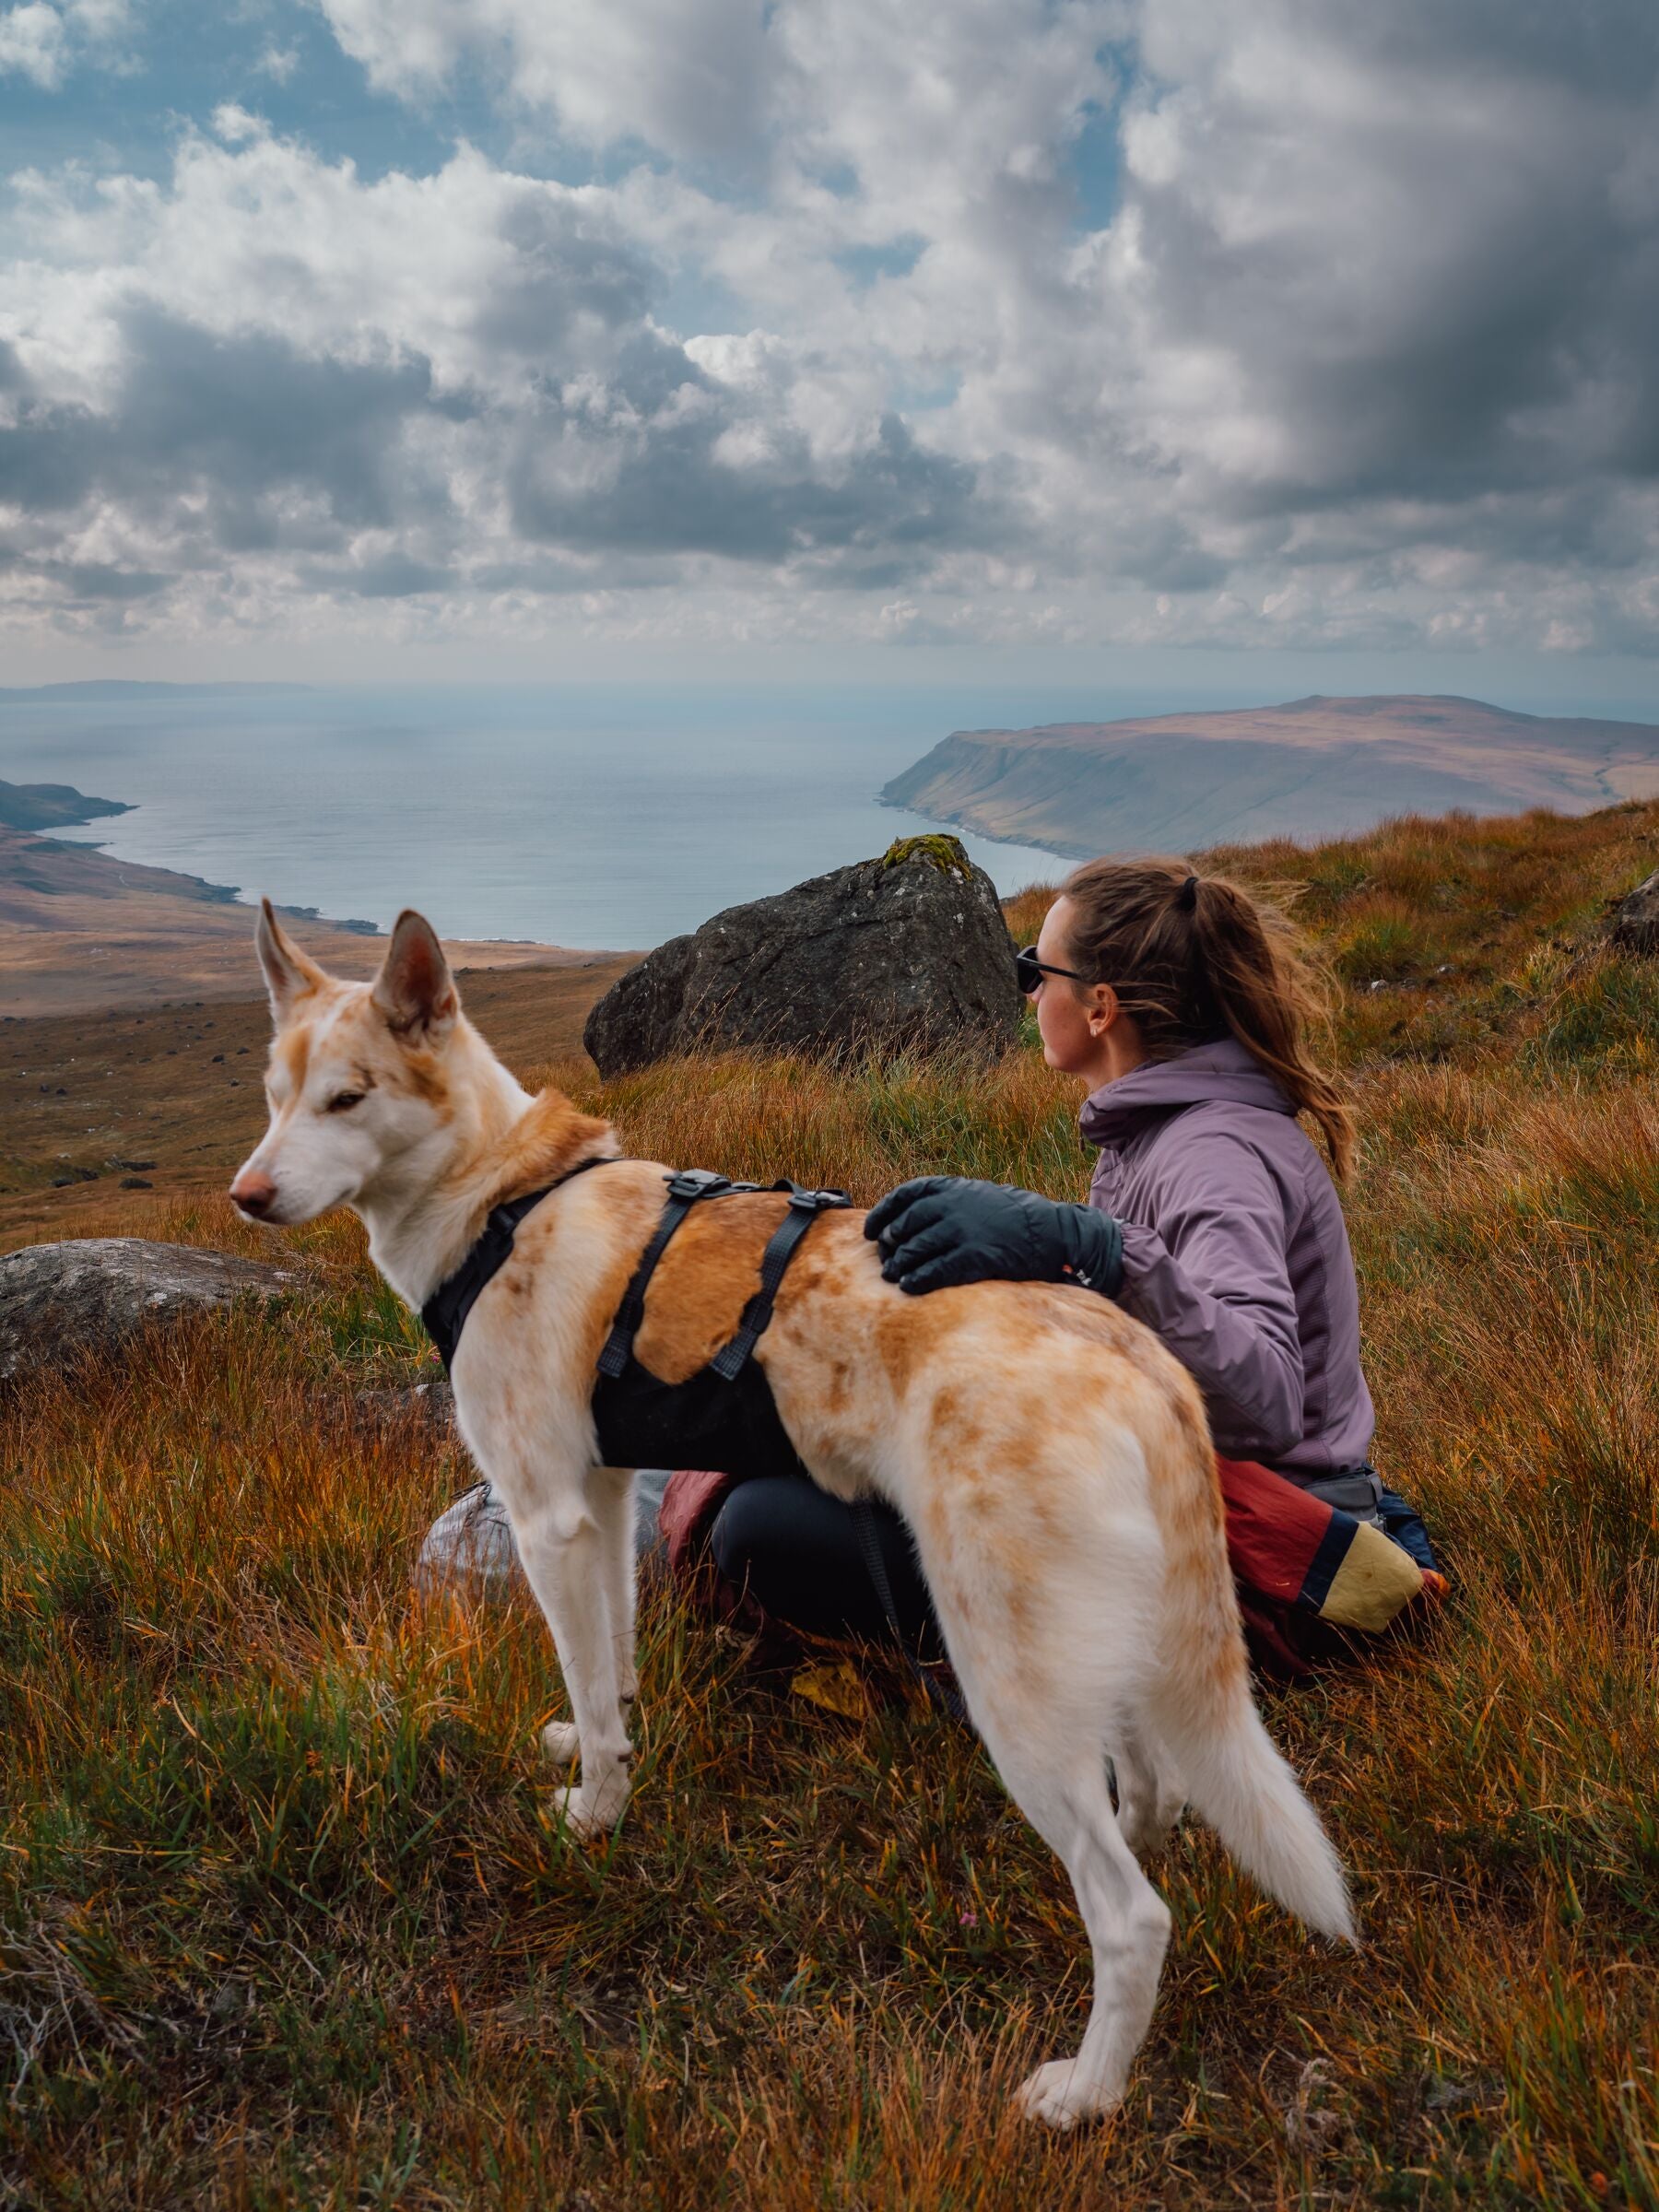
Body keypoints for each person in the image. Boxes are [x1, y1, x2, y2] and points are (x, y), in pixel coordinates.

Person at [679, 855, 1439, 1675]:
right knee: (800, 1458)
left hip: (1249, 1538)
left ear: (1101, 1007)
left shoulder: (1212, 1153)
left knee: (760, 1529)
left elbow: (1266, 1400)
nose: (1031, 992)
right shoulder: (1160, 1130)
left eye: (1036, 972)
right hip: (1175, 1494)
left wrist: (1091, 1248)